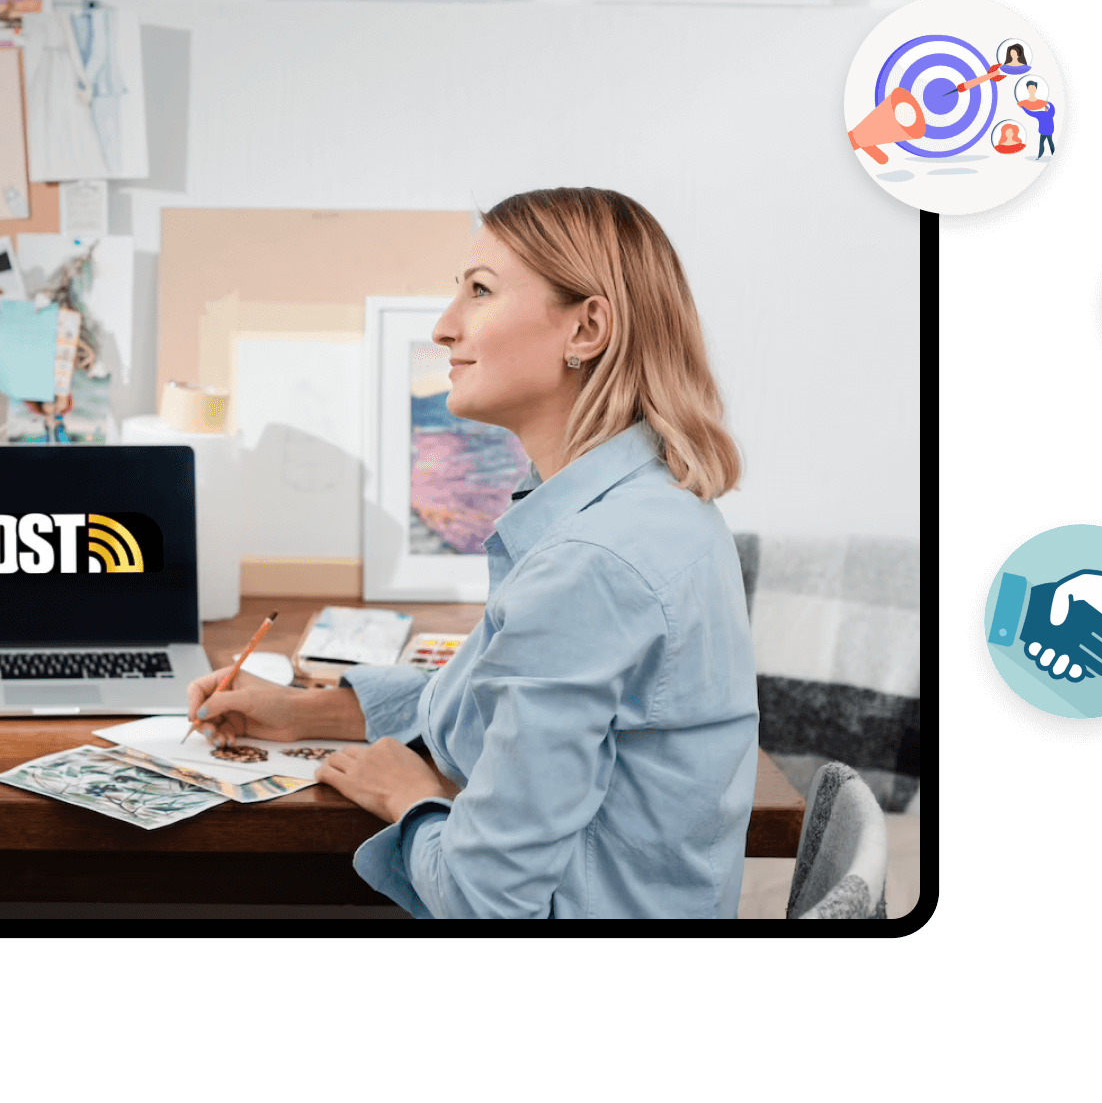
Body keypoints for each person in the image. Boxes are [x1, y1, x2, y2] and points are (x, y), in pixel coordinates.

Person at [185, 188, 759, 917]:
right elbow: (493, 698)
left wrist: (413, 800)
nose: (444, 326)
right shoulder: (647, 505)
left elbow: (484, 901)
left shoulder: (590, 562)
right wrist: (308, 712)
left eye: (480, 291)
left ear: (586, 328)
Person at [1018, 80, 1055, 158]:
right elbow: (1052, 108)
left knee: (1043, 143)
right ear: (1027, 89)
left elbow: (1030, 113)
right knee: (1049, 143)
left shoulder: (1041, 114)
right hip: (1048, 131)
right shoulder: (1049, 113)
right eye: (1030, 88)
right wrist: (1048, 103)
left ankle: (1039, 155)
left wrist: (1024, 108)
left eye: (1033, 88)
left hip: (1044, 131)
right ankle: (1041, 155)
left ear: (1036, 89)